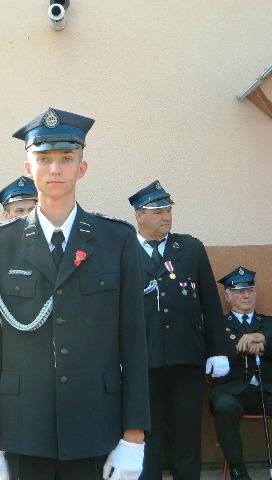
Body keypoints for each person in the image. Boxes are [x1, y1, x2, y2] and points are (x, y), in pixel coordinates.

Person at [0, 108, 150, 480]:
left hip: (95, 423)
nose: (55, 169)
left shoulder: (115, 240)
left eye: (66, 159)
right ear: (28, 168)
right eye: (44, 159)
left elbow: (134, 341)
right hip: (22, 427)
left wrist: (134, 435)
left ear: (82, 168)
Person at [128, 180, 227, 480]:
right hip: (144, 360)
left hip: (186, 356)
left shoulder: (190, 248)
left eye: (168, 210)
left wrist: (218, 350)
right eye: (158, 211)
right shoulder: (123, 251)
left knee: (186, 433)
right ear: (139, 216)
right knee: (148, 434)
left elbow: (210, 302)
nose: (166, 216)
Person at [211, 267, 271, 480]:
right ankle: (238, 469)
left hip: (266, 390)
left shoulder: (268, 323)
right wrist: (241, 347)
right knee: (223, 406)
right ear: (228, 296)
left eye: (250, 290)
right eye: (239, 291)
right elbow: (212, 356)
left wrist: (261, 339)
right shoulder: (218, 326)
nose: (246, 295)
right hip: (232, 392)